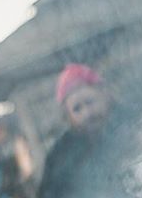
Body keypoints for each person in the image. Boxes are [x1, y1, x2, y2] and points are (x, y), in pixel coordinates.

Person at [38, 64, 135, 198]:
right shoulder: (60, 156)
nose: (87, 113)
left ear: (105, 94)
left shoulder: (134, 120)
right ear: (68, 117)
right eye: (77, 109)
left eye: (89, 102)